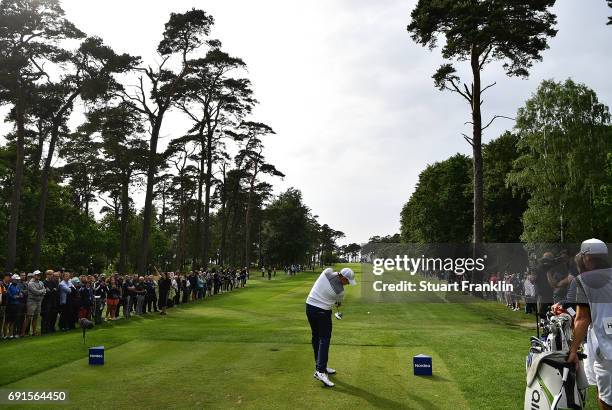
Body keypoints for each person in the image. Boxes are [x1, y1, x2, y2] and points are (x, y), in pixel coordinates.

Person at [567, 239, 612, 410]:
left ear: (586, 257)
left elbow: (582, 319)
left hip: (606, 346)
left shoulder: (584, 280)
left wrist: (573, 350)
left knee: (607, 399)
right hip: (602, 341)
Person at [305, 267, 356, 387]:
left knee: (316, 337)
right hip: (322, 312)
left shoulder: (326, 272)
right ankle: (321, 371)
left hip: (309, 307)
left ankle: (320, 366)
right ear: (343, 277)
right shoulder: (340, 291)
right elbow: (338, 303)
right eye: (347, 281)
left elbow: (330, 274)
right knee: (325, 339)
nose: (348, 283)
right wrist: (338, 303)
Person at [24, 270, 46, 336]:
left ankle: (34, 332)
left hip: (38, 301)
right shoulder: (31, 283)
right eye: (37, 275)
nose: (38, 276)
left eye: (39, 275)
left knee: (36, 316)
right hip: (31, 302)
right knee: (29, 317)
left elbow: (44, 291)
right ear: (34, 275)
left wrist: (41, 291)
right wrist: (42, 291)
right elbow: (36, 292)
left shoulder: (41, 282)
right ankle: (23, 332)